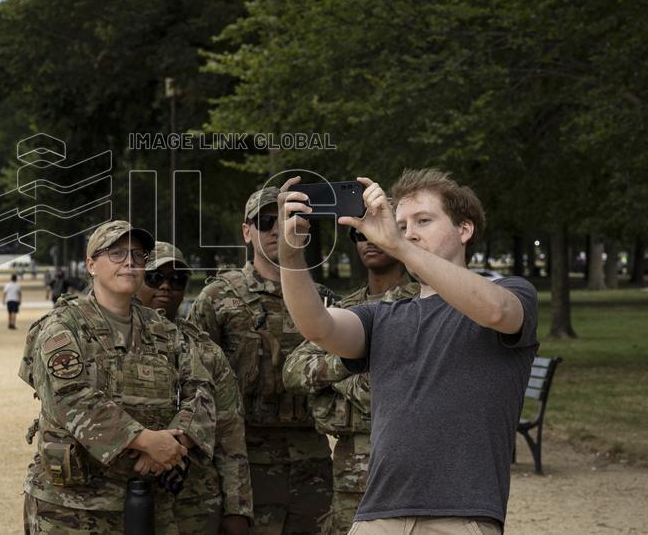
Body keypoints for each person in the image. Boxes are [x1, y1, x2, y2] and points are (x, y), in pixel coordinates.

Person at [278, 170, 538, 535]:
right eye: (401, 225)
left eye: (423, 221)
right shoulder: (383, 315)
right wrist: (290, 255)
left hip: (460, 518)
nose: (409, 232)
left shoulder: (512, 293)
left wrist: (399, 245)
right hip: (376, 516)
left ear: (464, 230)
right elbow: (317, 327)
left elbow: (497, 312)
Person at [19, 220, 217, 533]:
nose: (129, 262)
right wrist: (146, 440)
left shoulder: (164, 330)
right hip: (72, 510)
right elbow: (70, 399)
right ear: (91, 265)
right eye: (117, 253)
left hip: (149, 501)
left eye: (137, 255)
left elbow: (201, 390)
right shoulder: (62, 326)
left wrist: (174, 442)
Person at [189, 187, 334, 534]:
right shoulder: (218, 297)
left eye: (286, 220)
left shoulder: (322, 300)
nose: (275, 230)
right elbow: (194, 381)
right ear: (247, 231)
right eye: (265, 221)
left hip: (311, 461)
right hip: (244, 463)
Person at [282, 226, 419, 535]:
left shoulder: (421, 303)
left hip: (407, 470)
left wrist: (331, 384)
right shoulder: (345, 308)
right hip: (349, 475)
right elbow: (293, 371)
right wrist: (348, 362)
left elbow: (396, 388)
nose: (368, 241)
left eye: (375, 231)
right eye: (359, 235)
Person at [138, 242, 252, 535]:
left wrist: (237, 508)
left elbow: (230, 433)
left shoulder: (205, 350)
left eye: (177, 280)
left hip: (194, 506)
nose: (166, 286)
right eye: (154, 278)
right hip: (123, 500)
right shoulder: (108, 342)